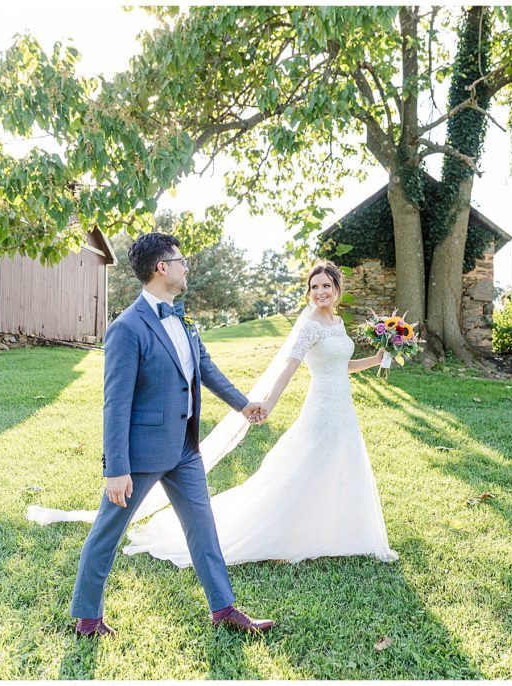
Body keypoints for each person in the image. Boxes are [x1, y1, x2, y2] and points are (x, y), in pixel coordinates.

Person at [120, 260, 399, 567]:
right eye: (314, 287)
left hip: (343, 406)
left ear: (337, 290)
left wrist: (374, 360)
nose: (320, 292)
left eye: (326, 286)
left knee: (342, 460)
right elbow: (289, 369)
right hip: (322, 406)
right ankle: (288, 529)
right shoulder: (309, 327)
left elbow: (340, 366)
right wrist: (268, 404)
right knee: (310, 461)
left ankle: (339, 530)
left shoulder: (338, 324)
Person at [67, 232, 273, 638]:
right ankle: (87, 618)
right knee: (108, 532)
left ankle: (223, 609)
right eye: (181, 261)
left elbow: (206, 368)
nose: (186, 267)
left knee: (203, 528)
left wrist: (244, 404)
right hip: (141, 454)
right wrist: (116, 469)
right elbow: (115, 403)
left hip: (185, 448)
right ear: (162, 267)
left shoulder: (182, 316)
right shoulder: (127, 328)